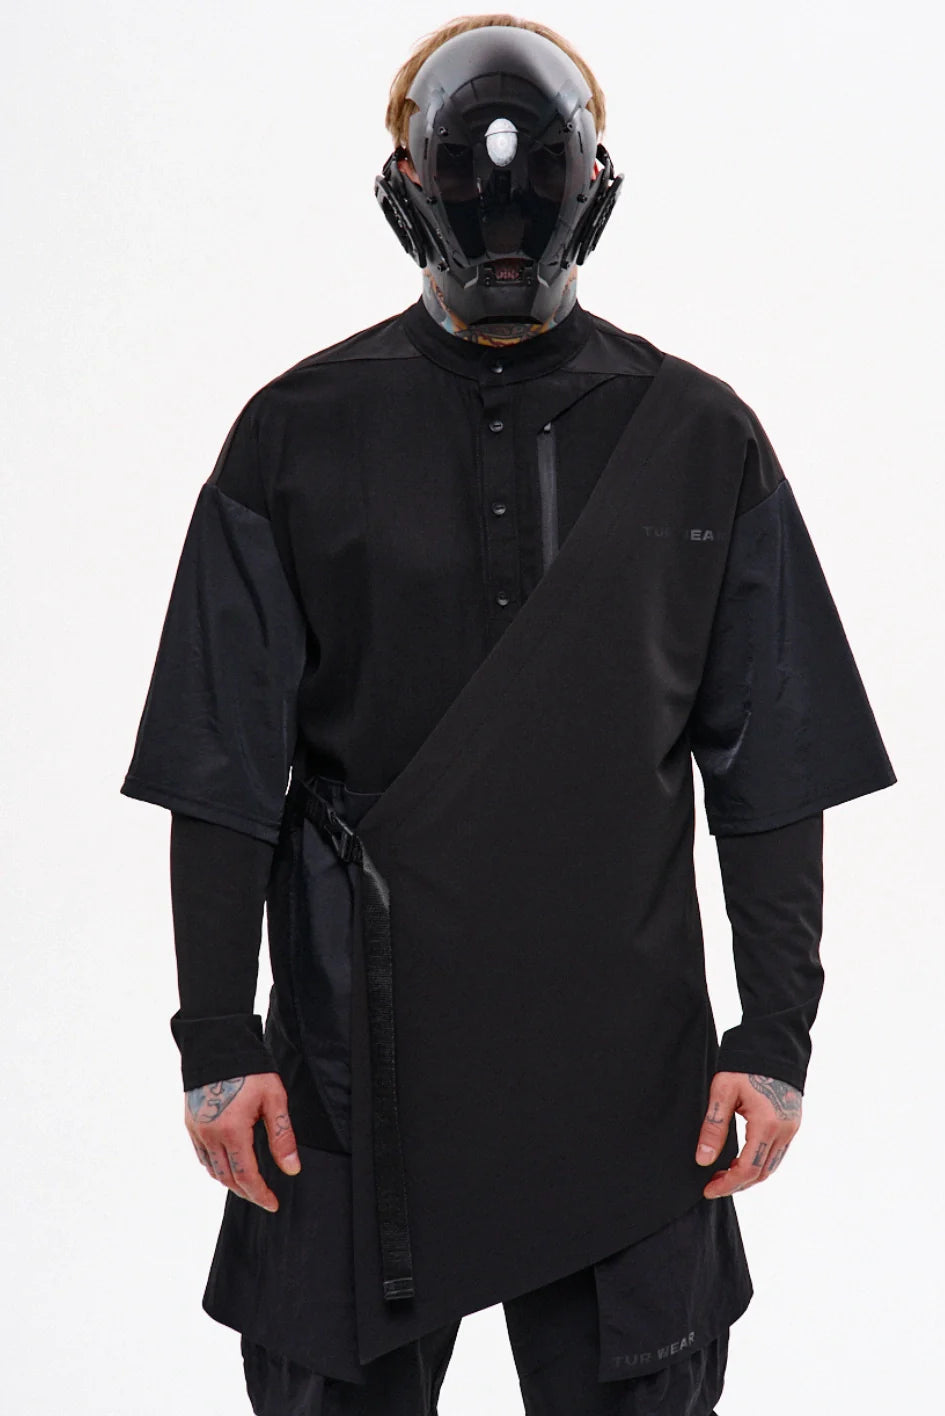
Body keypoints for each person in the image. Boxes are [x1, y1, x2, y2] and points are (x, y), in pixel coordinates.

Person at [120, 16, 896, 1415]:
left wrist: (774, 1036)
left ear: (590, 187)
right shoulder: (295, 434)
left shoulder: (698, 437)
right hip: (355, 1065)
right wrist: (218, 1039)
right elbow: (220, 758)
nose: (505, 225)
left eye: (537, 187)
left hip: (625, 1070)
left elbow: (771, 762)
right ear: (408, 189)